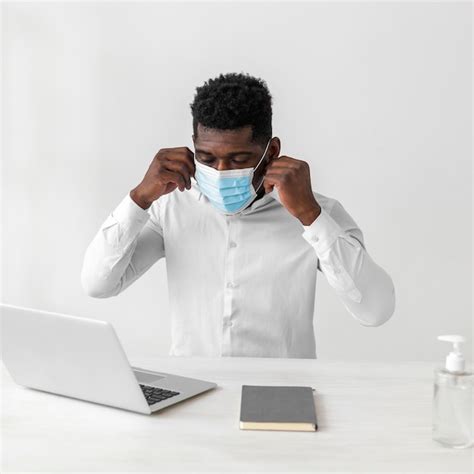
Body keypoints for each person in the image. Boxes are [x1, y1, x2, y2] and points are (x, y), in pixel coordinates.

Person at [81, 72, 395, 358]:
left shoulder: (316, 212)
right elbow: (98, 284)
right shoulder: (170, 207)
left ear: (271, 153)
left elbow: (376, 310)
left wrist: (310, 216)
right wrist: (139, 199)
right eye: (207, 157)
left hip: (283, 397)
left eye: (238, 159)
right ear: (193, 147)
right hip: (195, 395)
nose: (220, 172)